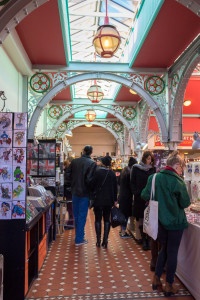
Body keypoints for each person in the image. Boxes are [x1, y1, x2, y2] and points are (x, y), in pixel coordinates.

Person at [141, 151, 190, 297]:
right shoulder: (178, 181)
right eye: (181, 167)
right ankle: (169, 284)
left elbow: (144, 195)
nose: (181, 170)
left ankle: (156, 279)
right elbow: (185, 202)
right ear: (176, 165)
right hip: (175, 222)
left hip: (159, 222)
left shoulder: (154, 178)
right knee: (172, 252)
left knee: (164, 250)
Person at [66, 145, 96, 246]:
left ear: (83, 151)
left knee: (76, 214)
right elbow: (90, 180)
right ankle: (79, 239)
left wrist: (72, 183)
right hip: (85, 193)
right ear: (91, 153)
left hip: (74, 192)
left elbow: (67, 174)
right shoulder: (92, 163)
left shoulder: (74, 161)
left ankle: (79, 236)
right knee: (82, 215)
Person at [130, 151, 156, 250]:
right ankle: (144, 240)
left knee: (149, 218)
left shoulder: (153, 169)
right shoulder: (136, 168)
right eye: (148, 159)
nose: (149, 161)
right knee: (141, 218)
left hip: (150, 198)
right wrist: (136, 193)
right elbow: (132, 182)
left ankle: (149, 239)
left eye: (151, 159)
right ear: (144, 158)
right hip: (139, 198)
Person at [91, 155, 117, 248]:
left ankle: (98, 241)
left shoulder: (97, 172)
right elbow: (115, 188)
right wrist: (115, 200)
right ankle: (105, 241)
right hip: (108, 201)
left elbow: (92, 185)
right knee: (107, 220)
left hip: (98, 200)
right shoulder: (112, 174)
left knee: (97, 219)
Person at [119, 157, 137, 238]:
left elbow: (119, 182)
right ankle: (123, 232)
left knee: (123, 214)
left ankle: (121, 230)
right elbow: (131, 186)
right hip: (127, 197)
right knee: (126, 215)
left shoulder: (124, 171)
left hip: (122, 195)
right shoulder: (130, 173)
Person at [64, 157, 74, 229]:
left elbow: (68, 181)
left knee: (70, 208)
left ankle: (71, 223)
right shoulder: (71, 170)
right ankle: (71, 223)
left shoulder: (68, 171)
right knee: (70, 208)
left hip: (69, 192)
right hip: (71, 191)